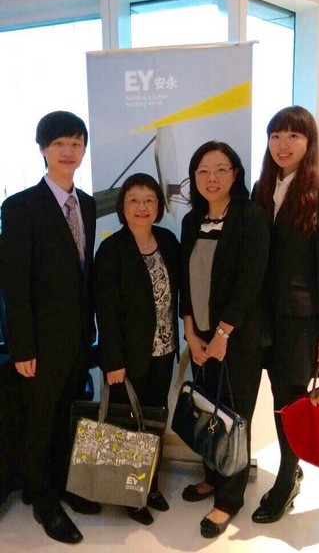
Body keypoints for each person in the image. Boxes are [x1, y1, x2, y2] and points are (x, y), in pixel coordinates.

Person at [0, 111, 99, 545]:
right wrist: (21, 346)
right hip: (38, 343)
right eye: (59, 143)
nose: (68, 151)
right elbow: (14, 283)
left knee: (68, 418)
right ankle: (42, 499)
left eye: (76, 143)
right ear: (43, 149)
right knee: (39, 422)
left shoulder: (89, 204)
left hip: (78, 338)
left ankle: (63, 485)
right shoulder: (19, 207)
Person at [251, 105, 319, 523]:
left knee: (291, 399)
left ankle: (287, 476)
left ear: (309, 143)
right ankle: (291, 466)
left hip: (301, 322)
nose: (283, 145)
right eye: (276, 136)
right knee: (276, 396)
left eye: (294, 136)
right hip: (261, 317)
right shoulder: (260, 188)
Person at [180, 140, 270, 539]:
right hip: (199, 334)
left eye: (220, 169)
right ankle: (212, 476)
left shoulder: (251, 217)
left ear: (235, 173)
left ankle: (229, 498)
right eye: (202, 170)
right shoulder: (190, 220)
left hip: (239, 339)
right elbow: (185, 279)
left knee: (234, 416)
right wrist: (190, 330)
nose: (211, 178)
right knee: (206, 408)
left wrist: (222, 334)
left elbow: (250, 281)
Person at [94, 172, 180, 526]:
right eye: (133, 200)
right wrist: (112, 361)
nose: (141, 207)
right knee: (129, 426)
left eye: (149, 200)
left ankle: (152, 484)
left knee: (154, 422)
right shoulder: (112, 249)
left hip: (164, 352)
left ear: (158, 206)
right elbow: (107, 311)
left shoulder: (168, 241)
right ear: (122, 206)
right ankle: (130, 495)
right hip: (127, 360)